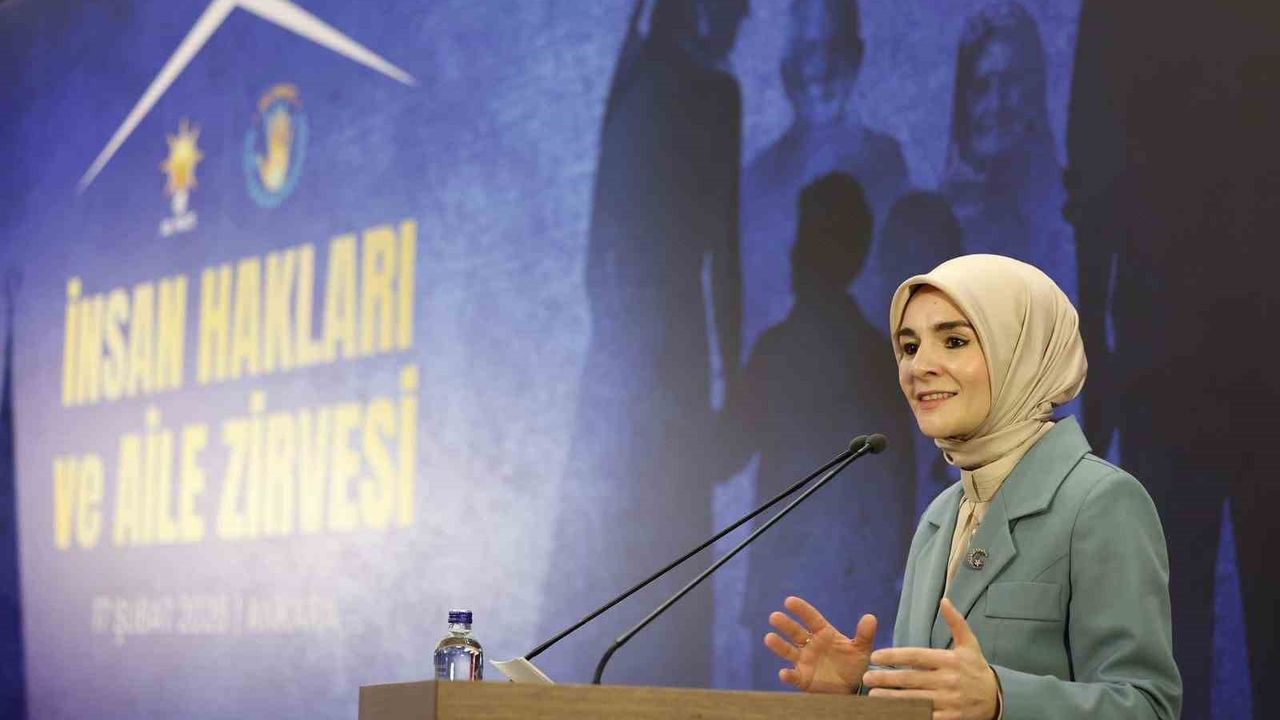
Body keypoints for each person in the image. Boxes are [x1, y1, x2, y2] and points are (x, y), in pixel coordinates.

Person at [763, 255, 1181, 718]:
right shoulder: (941, 516)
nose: (919, 367)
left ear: (1022, 353)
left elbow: (1149, 706)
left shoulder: (1100, 501)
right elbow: (944, 701)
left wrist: (1002, 699)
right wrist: (863, 690)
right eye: (909, 347)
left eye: (955, 341)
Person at [716, 173, 915, 690]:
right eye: (800, 237)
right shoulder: (873, 354)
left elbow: (720, 457)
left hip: (825, 596)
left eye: (812, 237)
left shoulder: (788, 351)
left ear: (849, 253)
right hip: (823, 590)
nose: (797, 253)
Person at [940, 2, 1076, 302]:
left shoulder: (1065, 215)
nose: (997, 104)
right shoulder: (939, 221)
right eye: (981, 86)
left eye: (1012, 84)